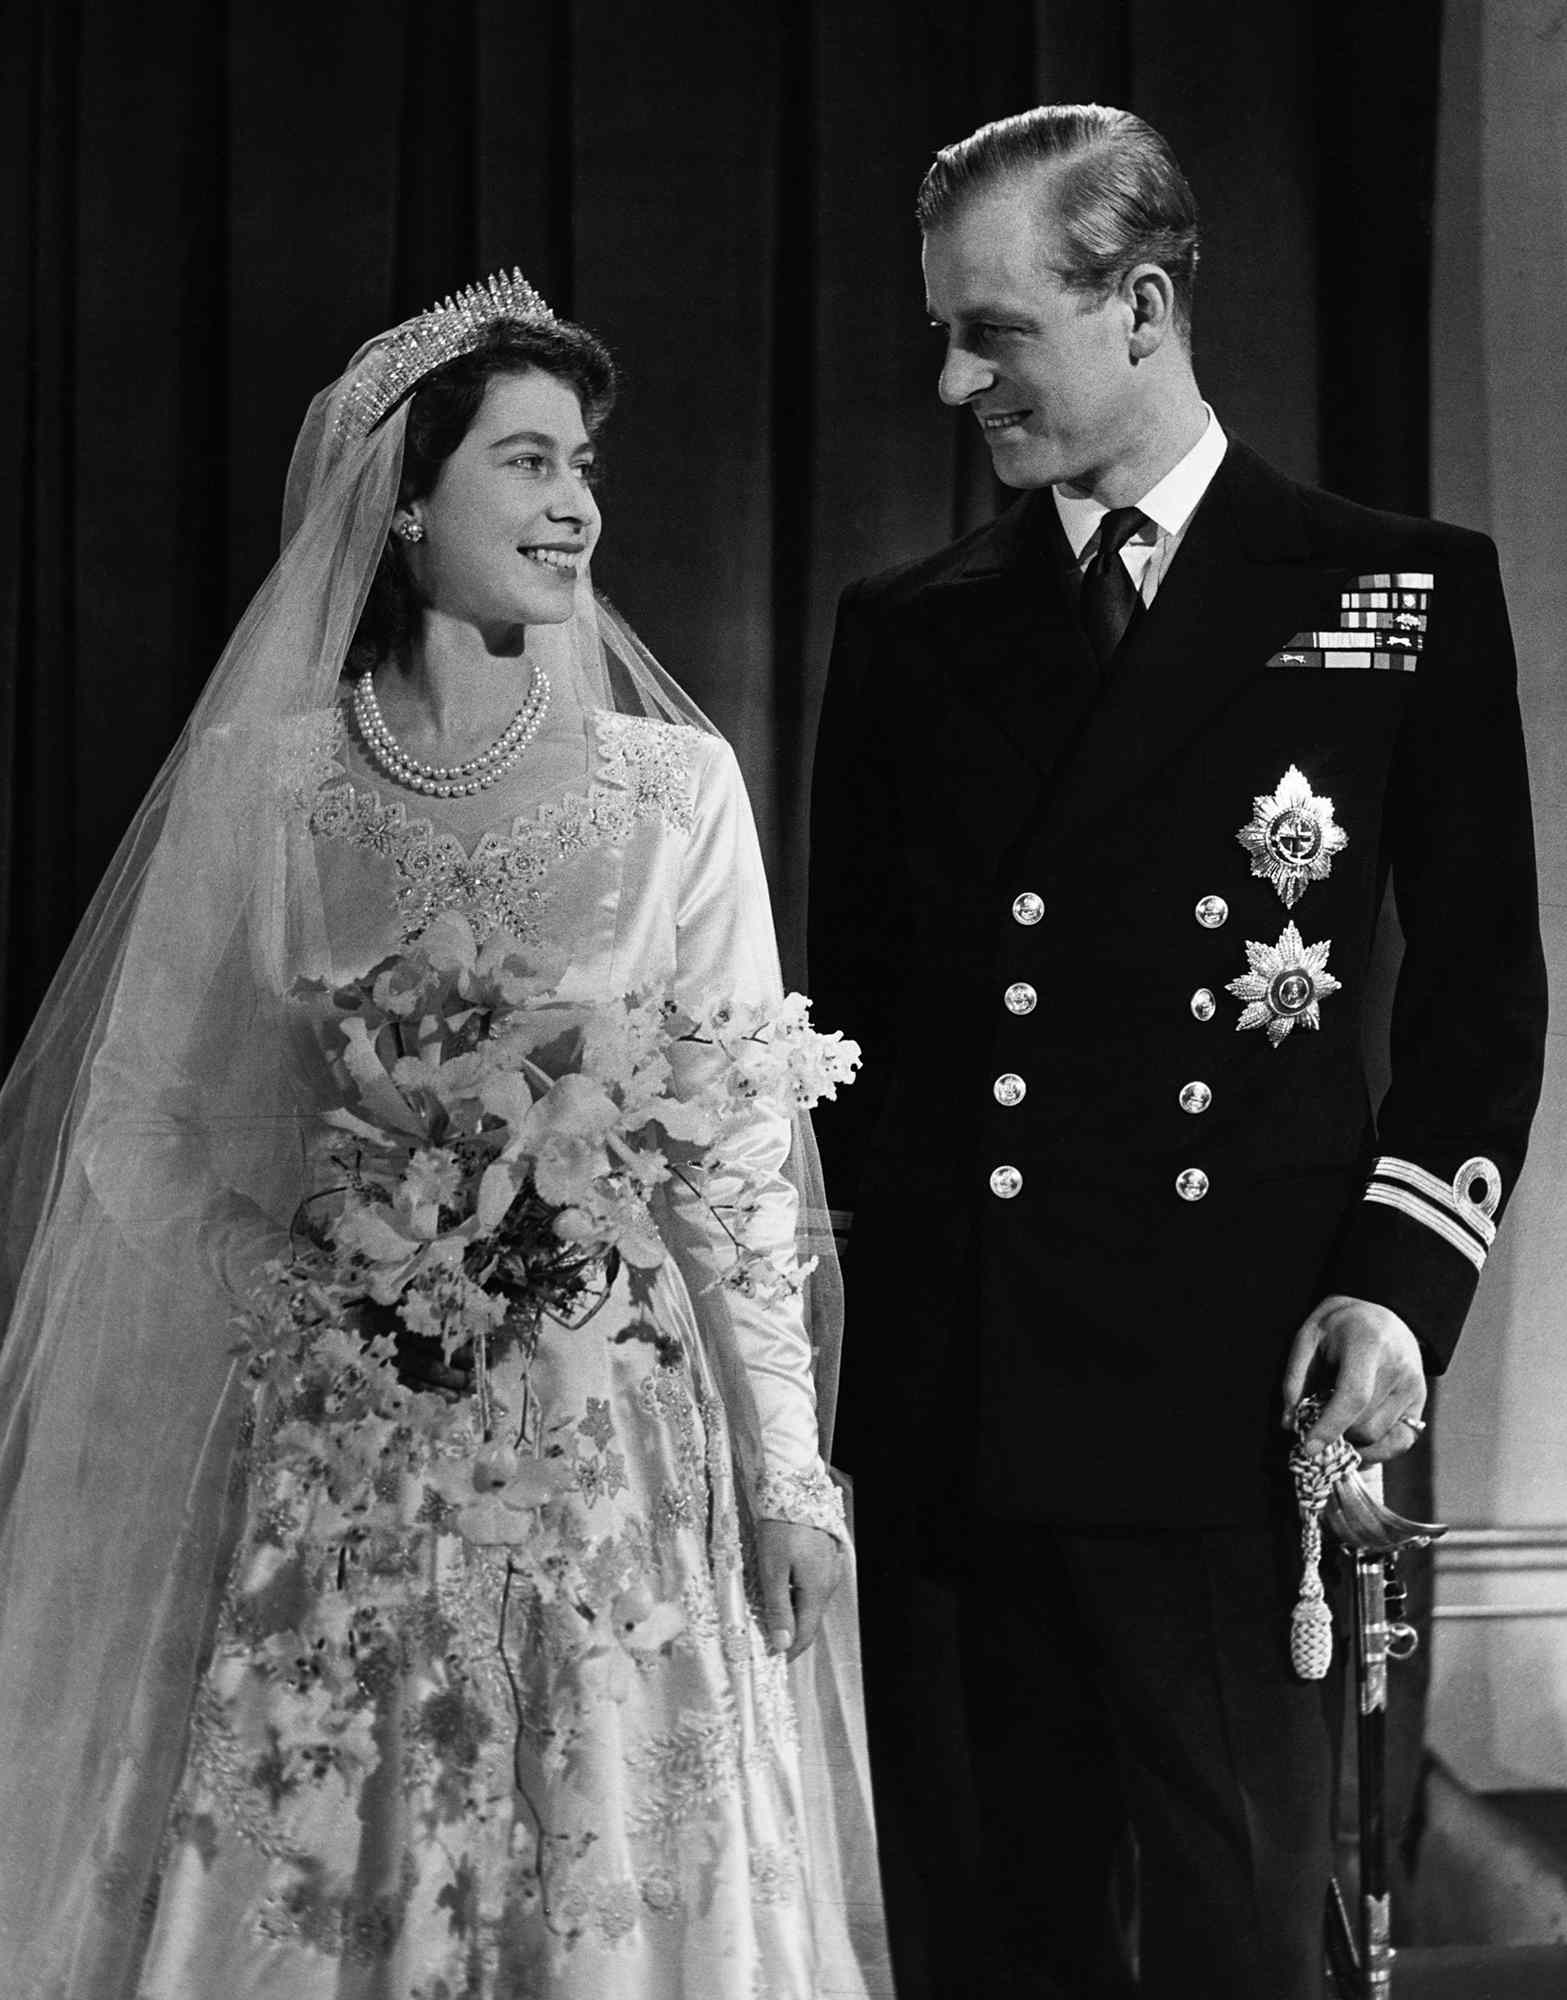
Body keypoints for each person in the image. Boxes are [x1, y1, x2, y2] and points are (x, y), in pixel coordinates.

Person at [0, 273, 889, 1998]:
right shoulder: (271, 791)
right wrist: (286, 1291)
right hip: (355, 1449)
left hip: (608, 1448)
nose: (577, 506)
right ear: (406, 503)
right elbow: (132, 1114)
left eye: (586, 467)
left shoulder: (673, 792)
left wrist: (788, 1476)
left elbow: (737, 1169)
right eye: (529, 462)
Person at [807, 104, 1547, 1999]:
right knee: (997, 1944)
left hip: (1231, 1390)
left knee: (1235, 1935)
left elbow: (1480, 998)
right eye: (944, 331)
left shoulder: (1393, 591)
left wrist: (1398, 1290)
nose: (955, 378)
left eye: (997, 330)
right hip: (960, 1400)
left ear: (1142, 306)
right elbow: (854, 1047)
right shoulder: (906, 636)